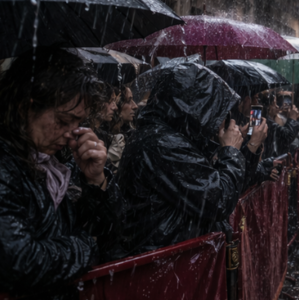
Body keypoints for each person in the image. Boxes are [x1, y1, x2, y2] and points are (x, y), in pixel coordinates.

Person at [0, 49, 122, 299]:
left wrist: (95, 180)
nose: (71, 134)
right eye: (63, 121)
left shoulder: (54, 163)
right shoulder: (7, 166)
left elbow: (110, 231)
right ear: (25, 107)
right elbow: (18, 262)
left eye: (78, 123)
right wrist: (86, 245)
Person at [116, 61, 246, 258]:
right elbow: (218, 200)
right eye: (215, 112)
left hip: (168, 259)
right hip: (165, 263)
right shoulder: (163, 144)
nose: (220, 123)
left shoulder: (161, 136)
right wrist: (231, 152)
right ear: (196, 108)